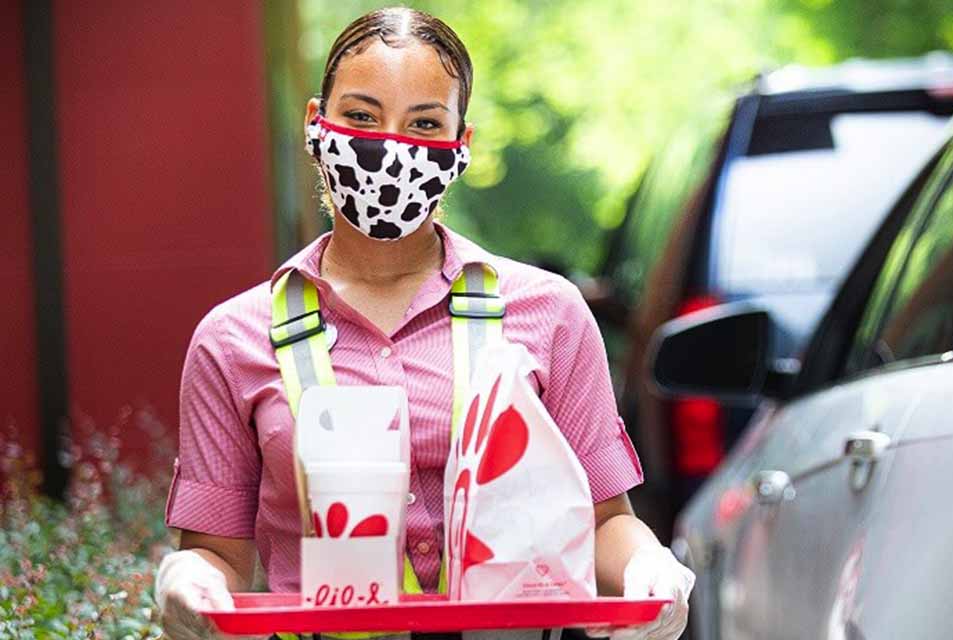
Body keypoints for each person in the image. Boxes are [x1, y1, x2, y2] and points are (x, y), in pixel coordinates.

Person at [154, 7, 694, 640]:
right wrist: (188, 578)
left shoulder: (550, 314)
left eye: (424, 124)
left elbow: (604, 520)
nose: (390, 146)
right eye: (360, 116)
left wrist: (647, 567)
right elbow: (217, 552)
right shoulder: (232, 339)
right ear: (315, 124)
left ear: (461, 145)